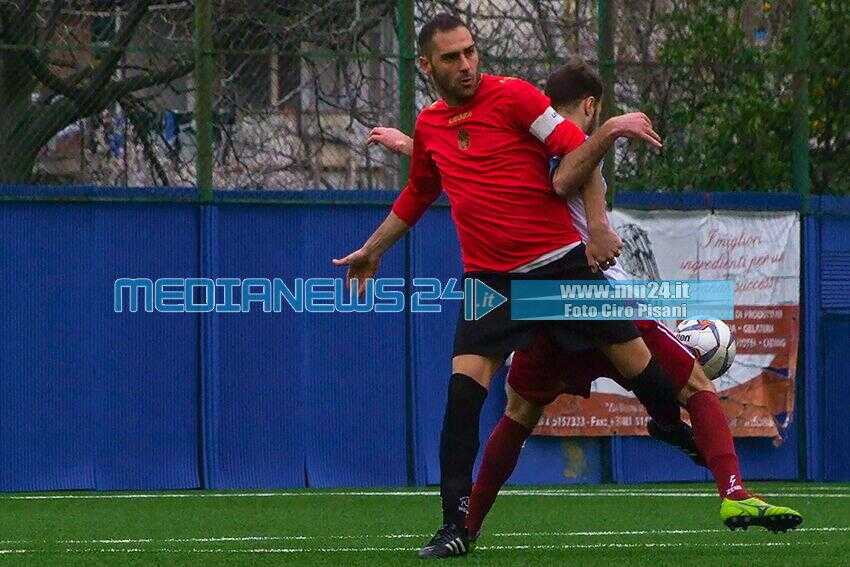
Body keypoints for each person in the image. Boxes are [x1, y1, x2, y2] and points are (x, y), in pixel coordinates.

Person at [335, 13, 673, 559]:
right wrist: (373, 250)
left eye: (470, 51)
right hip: (488, 281)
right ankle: (453, 526)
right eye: (451, 57)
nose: (466, 64)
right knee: (462, 399)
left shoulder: (514, 96)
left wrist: (598, 226)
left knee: (647, 376)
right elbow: (418, 193)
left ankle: (673, 425)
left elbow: (580, 154)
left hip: (559, 265)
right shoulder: (430, 126)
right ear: (427, 66)